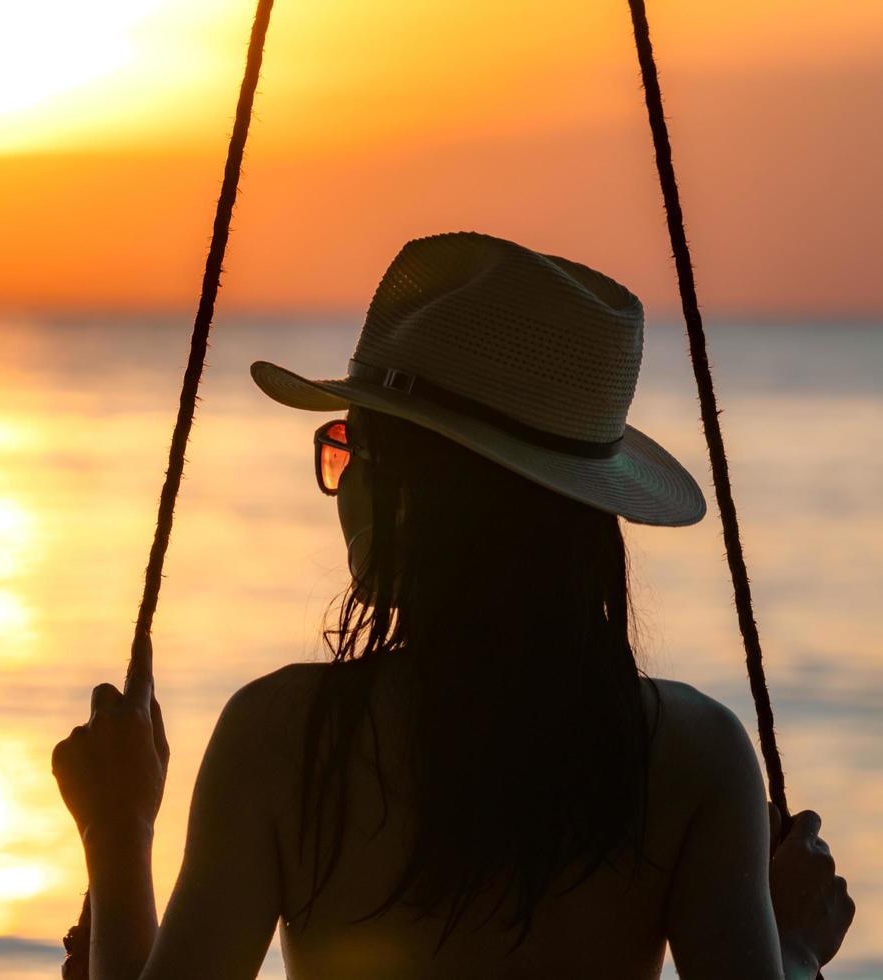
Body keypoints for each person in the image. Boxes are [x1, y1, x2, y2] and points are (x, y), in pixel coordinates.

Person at [51, 233, 854, 979]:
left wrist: (117, 836)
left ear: (413, 492)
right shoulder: (694, 757)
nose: (342, 480)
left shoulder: (286, 740)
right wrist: (792, 950)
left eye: (351, 447)